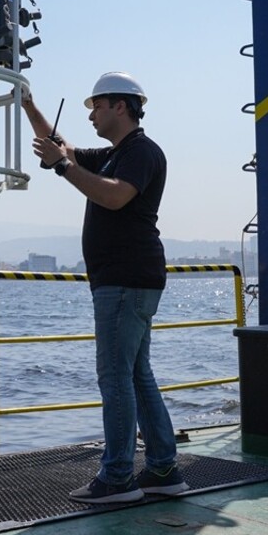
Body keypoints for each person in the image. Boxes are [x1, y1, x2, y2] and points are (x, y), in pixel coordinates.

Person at [20, 71, 188, 504]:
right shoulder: (116, 153)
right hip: (128, 281)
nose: (91, 113)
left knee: (115, 378)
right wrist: (28, 105)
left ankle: (116, 478)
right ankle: (164, 469)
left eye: (96, 105)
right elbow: (66, 148)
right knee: (136, 375)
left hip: (125, 280)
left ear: (120, 106)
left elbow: (113, 196)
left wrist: (61, 167)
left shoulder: (142, 152)